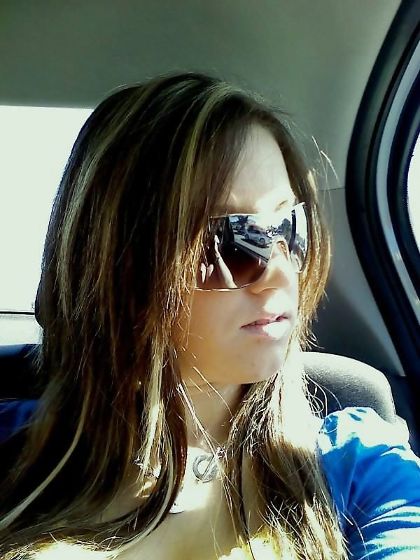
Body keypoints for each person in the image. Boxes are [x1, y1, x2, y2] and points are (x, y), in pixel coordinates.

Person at [0, 72, 419, 560]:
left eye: (289, 226)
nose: (278, 273)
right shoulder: (16, 450)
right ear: (119, 266)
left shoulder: (357, 463)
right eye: (228, 239)